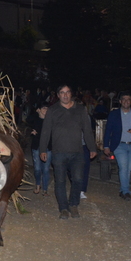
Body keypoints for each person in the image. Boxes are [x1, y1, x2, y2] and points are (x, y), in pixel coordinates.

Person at [39, 84, 97, 219]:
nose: (65, 95)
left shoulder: (81, 109)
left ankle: (74, 205)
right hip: (59, 152)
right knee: (60, 181)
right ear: (58, 95)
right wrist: (43, 149)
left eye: (67, 92)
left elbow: (87, 130)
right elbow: (46, 131)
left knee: (77, 179)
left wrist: (92, 147)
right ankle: (63, 208)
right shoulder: (53, 110)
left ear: (71, 94)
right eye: (62, 93)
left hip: (77, 152)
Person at [103, 92, 131, 201]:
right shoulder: (114, 114)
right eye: (124, 99)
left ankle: (123, 189)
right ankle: (126, 191)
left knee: (128, 168)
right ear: (120, 101)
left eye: (128, 99)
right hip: (119, 145)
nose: (126, 101)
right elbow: (108, 130)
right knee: (123, 167)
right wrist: (106, 145)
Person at [28, 104, 52, 195]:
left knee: (46, 169)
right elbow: (27, 119)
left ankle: (45, 189)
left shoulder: (50, 121)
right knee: (37, 168)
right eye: (44, 108)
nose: (46, 110)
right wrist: (37, 113)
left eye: (47, 108)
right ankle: (38, 185)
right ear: (39, 109)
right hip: (36, 147)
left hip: (48, 147)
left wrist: (37, 134)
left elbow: (47, 135)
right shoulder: (35, 120)